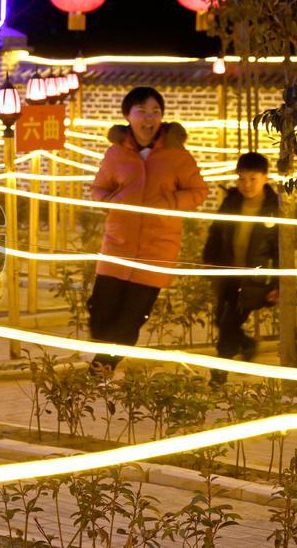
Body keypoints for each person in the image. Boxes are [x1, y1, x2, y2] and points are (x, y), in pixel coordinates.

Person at [88, 87, 209, 372]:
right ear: (128, 116)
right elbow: (98, 188)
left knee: (131, 319)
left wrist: (169, 202)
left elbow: (199, 191)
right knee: (99, 313)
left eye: (156, 112)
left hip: (158, 249)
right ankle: (102, 360)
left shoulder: (177, 155)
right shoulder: (116, 153)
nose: (149, 118)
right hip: (117, 246)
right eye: (142, 111)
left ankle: (102, 368)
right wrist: (113, 204)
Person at [202, 152, 279, 384]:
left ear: (266, 178)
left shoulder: (274, 208)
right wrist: (209, 258)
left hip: (253, 280)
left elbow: (280, 249)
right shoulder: (232, 200)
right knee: (220, 319)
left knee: (228, 323)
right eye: (241, 179)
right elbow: (217, 230)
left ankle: (219, 374)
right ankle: (246, 344)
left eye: (252, 179)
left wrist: (278, 283)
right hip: (228, 273)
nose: (246, 185)